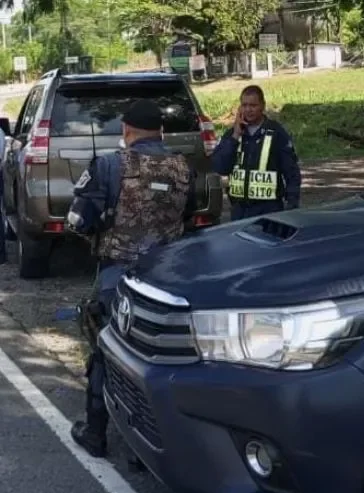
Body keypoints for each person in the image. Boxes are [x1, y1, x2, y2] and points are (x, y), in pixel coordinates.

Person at [66, 99, 197, 458]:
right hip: (168, 279)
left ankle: (96, 432)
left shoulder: (109, 165)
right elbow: (189, 215)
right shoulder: (183, 167)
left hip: (119, 275)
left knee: (107, 351)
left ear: (126, 130)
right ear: (161, 131)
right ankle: (154, 445)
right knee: (156, 360)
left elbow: (79, 219)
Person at [211, 85, 301, 220]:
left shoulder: (276, 133)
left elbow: (291, 171)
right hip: (239, 210)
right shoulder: (232, 134)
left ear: (262, 106)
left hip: (269, 210)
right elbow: (221, 168)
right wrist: (235, 136)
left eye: (253, 105)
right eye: (244, 105)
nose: (248, 110)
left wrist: (292, 203)